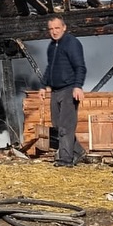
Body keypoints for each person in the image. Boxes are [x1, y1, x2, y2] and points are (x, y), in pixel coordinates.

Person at [39, 15, 88, 167]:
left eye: (57, 28)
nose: (54, 32)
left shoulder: (72, 43)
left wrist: (78, 86)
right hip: (55, 90)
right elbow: (49, 67)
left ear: (64, 27)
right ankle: (78, 151)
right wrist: (43, 85)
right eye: (51, 29)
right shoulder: (52, 46)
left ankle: (65, 159)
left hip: (69, 89)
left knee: (66, 126)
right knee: (57, 124)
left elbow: (80, 66)